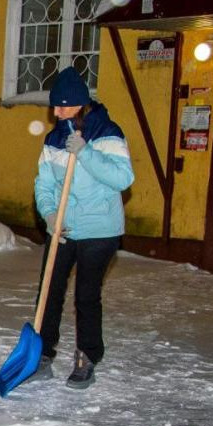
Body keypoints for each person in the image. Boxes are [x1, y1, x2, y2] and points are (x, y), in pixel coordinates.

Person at [32, 67, 134, 388]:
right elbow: (44, 184)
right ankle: (43, 353)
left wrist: (86, 152)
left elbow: (122, 178)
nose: (56, 112)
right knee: (49, 291)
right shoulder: (54, 139)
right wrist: (49, 214)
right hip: (62, 227)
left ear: (79, 103)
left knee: (86, 296)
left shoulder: (108, 132)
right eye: (54, 106)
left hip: (99, 230)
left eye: (62, 105)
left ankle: (87, 356)